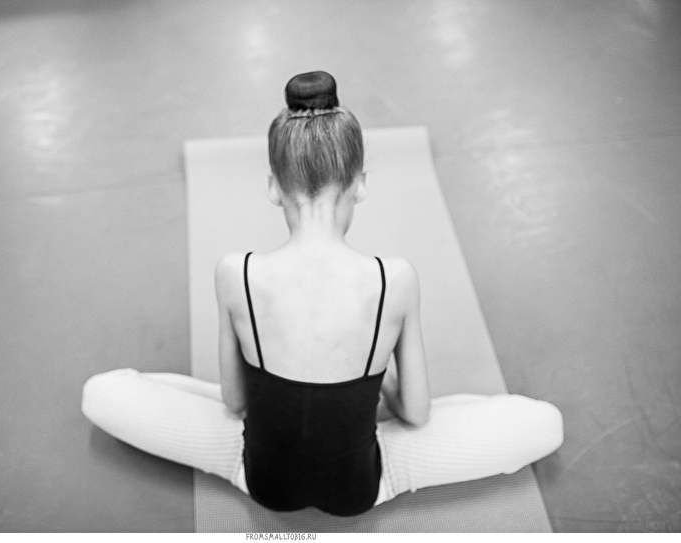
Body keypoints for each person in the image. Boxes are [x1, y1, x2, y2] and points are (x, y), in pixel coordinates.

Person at [81, 71, 563, 517]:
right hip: (362, 487)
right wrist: (372, 379)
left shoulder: (235, 273)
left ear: (273, 187)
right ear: (361, 184)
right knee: (542, 423)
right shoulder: (394, 279)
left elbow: (233, 402)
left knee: (101, 393)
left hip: (262, 480)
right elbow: (417, 414)